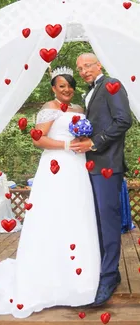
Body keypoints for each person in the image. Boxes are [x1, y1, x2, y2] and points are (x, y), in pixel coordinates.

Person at [0, 66, 101, 318]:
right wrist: (68, 144)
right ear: (53, 88)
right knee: (52, 215)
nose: (67, 89)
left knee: (77, 215)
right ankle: (48, 280)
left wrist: (82, 143)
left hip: (78, 168)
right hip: (55, 167)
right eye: (62, 86)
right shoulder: (47, 110)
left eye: (70, 85)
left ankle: (79, 282)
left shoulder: (79, 110)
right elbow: (38, 140)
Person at [70, 53, 132, 306]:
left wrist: (94, 142)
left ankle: (107, 278)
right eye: (80, 68)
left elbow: (123, 120)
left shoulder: (111, 84)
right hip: (89, 167)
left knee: (108, 222)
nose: (83, 70)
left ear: (100, 65)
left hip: (107, 165)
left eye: (87, 65)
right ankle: (107, 271)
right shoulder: (90, 92)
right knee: (94, 221)